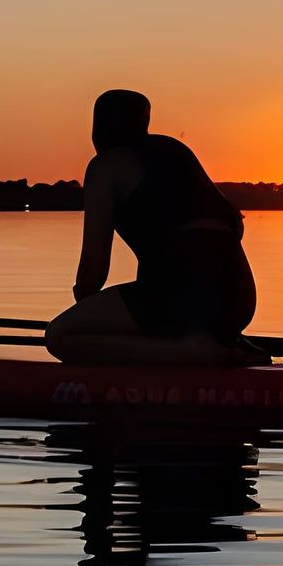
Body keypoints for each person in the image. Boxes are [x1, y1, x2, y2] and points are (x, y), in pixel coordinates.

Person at [45, 90, 260, 367]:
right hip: (239, 299)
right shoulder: (175, 150)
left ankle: (198, 352)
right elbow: (232, 224)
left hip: (181, 299)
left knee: (60, 335)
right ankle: (210, 343)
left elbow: (93, 272)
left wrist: (85, 311)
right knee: (150, 309)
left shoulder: (104, 167)